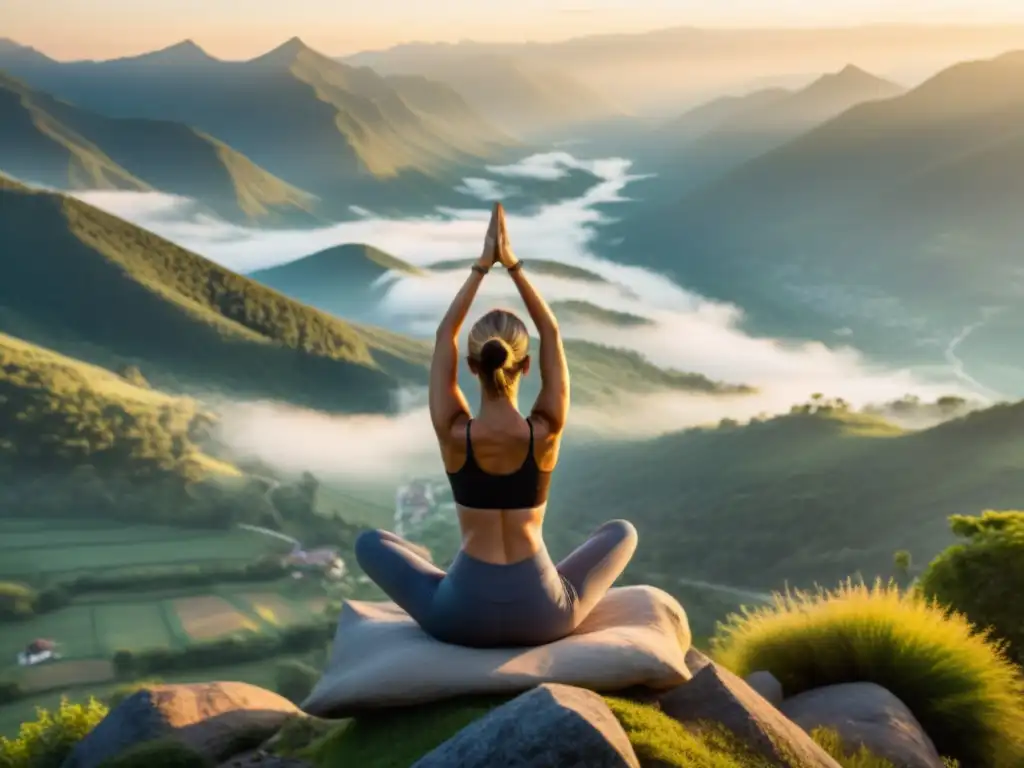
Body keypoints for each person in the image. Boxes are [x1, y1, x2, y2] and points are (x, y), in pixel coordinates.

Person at [355, 202, 637, 648]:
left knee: (371, 542)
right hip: (544, 614)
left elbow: (444, 335)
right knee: (622, 532)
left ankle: (453, 583)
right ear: (525, 367)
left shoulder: (453, 433)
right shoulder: (545, 432)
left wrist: (480, 267)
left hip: (460, 616)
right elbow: (553, 333)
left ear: (472, 366)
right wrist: (515, 266)